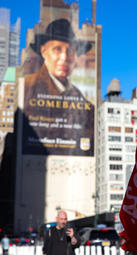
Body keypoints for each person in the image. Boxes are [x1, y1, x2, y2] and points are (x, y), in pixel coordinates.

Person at [23, 18, 94, 156]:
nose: (64, 57)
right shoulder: (27, 89)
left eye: (71, 51)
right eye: (57, 49)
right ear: (44, 52)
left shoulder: (85, 104)